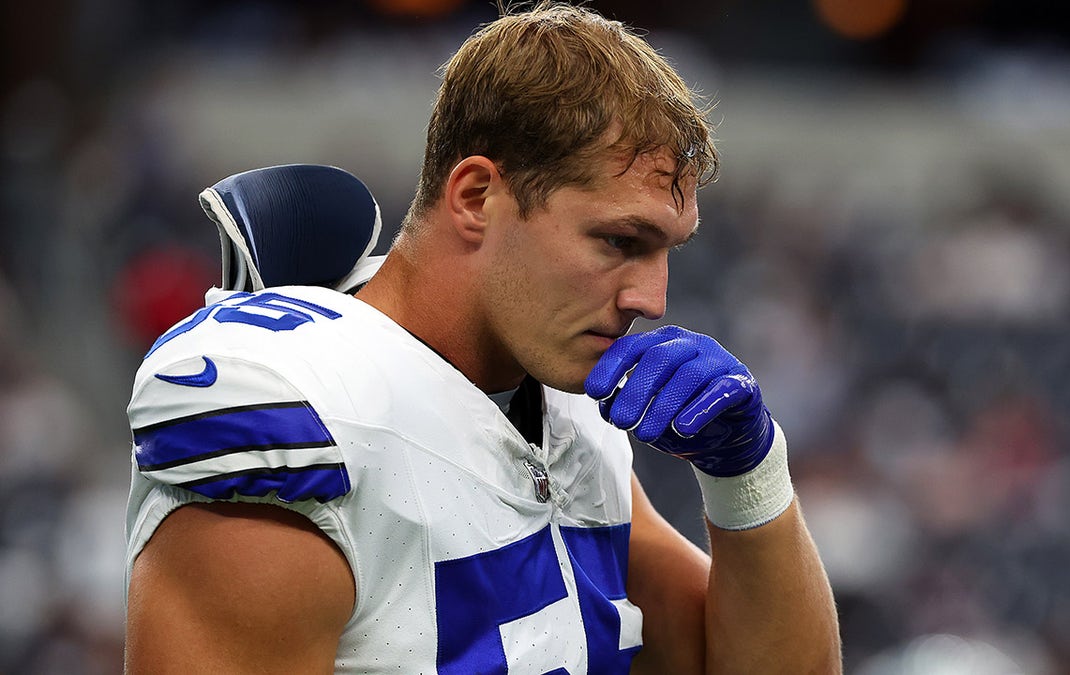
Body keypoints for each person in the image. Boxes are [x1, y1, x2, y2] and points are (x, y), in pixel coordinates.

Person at [123, 3, 841, 673]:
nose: (650, 300)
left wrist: (749, 475)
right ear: (475, 196)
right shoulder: (294, 412)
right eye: (619, 239)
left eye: (665, 251)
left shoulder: (563, 409)